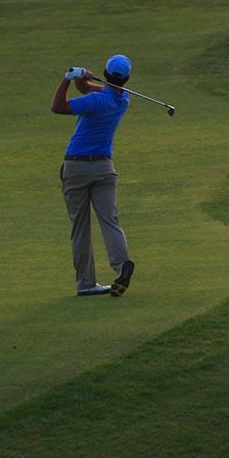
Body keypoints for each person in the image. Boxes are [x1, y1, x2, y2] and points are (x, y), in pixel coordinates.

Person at [51, 54, 138, 298]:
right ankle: (122, 266)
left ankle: (86, 283)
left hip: (76, 167)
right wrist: (84, 80)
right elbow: (98, 90)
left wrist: (67, 79)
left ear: (106, 73)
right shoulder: (123, 100)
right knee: (110, 221)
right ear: (127, 78)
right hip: (104, 169)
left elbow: (58, 107)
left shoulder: (94, 101)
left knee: (81, 227)